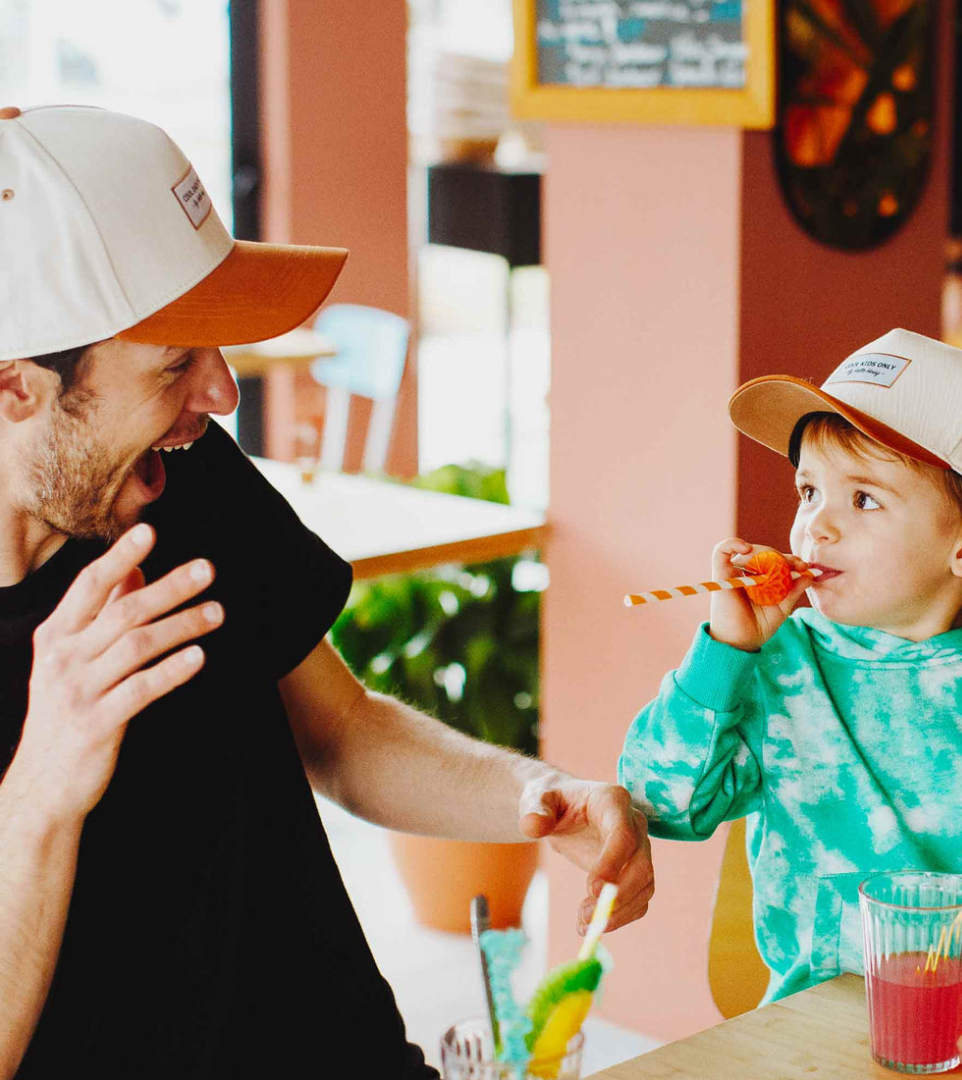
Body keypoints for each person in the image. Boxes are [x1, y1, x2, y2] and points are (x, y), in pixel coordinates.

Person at [0, 104, 653, 1079]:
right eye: (176, 362)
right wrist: (42, 791)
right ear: (15, 386)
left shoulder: (181, 479)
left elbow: (340, 732)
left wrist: (532, 795)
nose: (222, 393)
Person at [620, 329, 962, 1067]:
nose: (815, 524)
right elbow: (661, 801)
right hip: (802, 1041)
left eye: (863, 498)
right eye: (809, 490)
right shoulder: (779, 663)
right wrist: (724, 652)